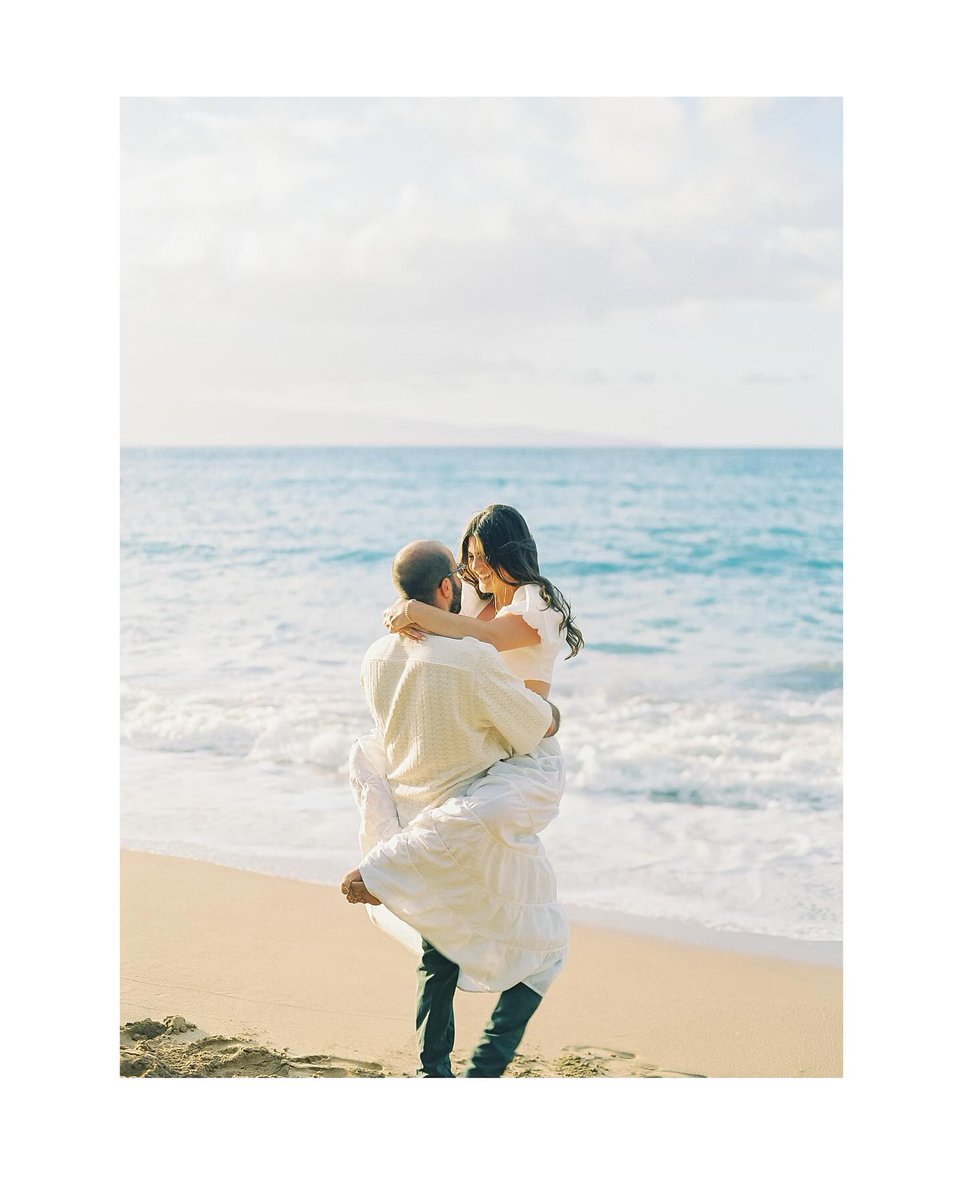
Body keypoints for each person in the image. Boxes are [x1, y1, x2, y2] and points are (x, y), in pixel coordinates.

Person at [342, 508, 582, 1077]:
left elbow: (487, 640)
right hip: (483, 751)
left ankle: (480, 1065)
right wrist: (413, 618)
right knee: (448, 935)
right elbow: (451, 641)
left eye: (479, 555)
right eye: (465, 558)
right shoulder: (474, 601)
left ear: (506, 551)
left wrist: (416, 610)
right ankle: (444, 1073)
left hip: (521, 752)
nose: (472, 567)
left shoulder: (534, 605)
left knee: (525, 917)